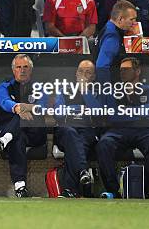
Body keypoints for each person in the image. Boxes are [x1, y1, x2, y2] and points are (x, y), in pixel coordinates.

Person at [96, 57, 149, 199]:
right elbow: (111, 114)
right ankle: (114, 191)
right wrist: (138, 113)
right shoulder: (113, 91)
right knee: (104, 144)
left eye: (126, 69)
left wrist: (125, 112)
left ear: (137, 71)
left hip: (145, 130)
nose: (122, 72)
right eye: (120, 70)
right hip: (118, 131)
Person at [0, 54, 47, 198]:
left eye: (25, 67)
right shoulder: (4, 87)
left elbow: (42, 107)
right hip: (11, 130)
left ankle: (3, 140)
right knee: (18, 136)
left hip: (35, 132)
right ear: (13, 70)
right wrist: (18, 108)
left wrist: (23, 108)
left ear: (31, 70)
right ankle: (20, 186)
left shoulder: (40, 87)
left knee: (19, 123)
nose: (22, 70)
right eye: (18, 67)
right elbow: (4, 102)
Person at [53, 60, 99, 197]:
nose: (83, 75)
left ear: (94, 77)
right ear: (76, 73)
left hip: (87, 131)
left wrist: (85, 92)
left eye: (88, 72)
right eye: (81, 71)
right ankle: (82, 171)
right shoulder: (64, 90)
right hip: (65, 130)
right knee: (71, 134)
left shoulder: (98, 92)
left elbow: (97, 112)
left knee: (76, 145)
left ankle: (69, 191)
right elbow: (58, 114)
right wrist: (81, 109)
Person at [95, 0, 137, 84]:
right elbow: (102, 66)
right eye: (131, 19)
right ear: (120, 19)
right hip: (111, 88)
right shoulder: (112, 36)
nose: (134, 23)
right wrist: (107, 91)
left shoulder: (109, 28)